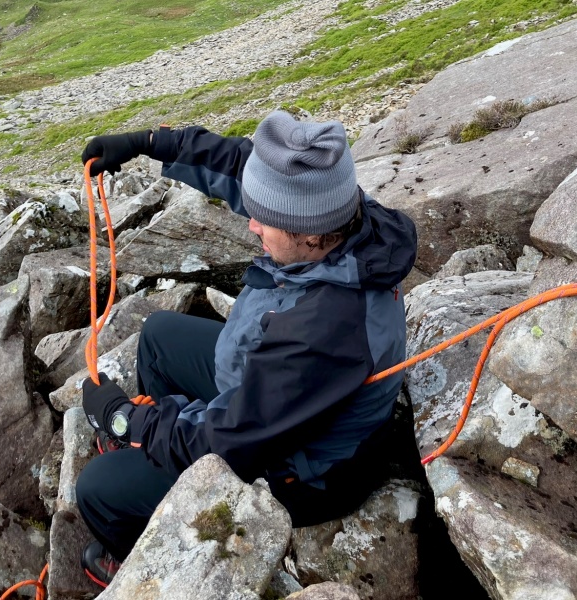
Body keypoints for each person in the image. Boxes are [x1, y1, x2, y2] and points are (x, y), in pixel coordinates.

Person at [75, 110, 417, 587]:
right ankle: (167, 449)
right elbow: (244, 165)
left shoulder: (327, 331)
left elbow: (232, 442)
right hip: (271, 394)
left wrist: (123, 420)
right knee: (157, 338)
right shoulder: (337, 211)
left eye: (264, 220)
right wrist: (149, 142)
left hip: (306, 473)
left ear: (310, 234)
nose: (252, 225)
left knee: (98, 489)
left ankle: (144, 553)